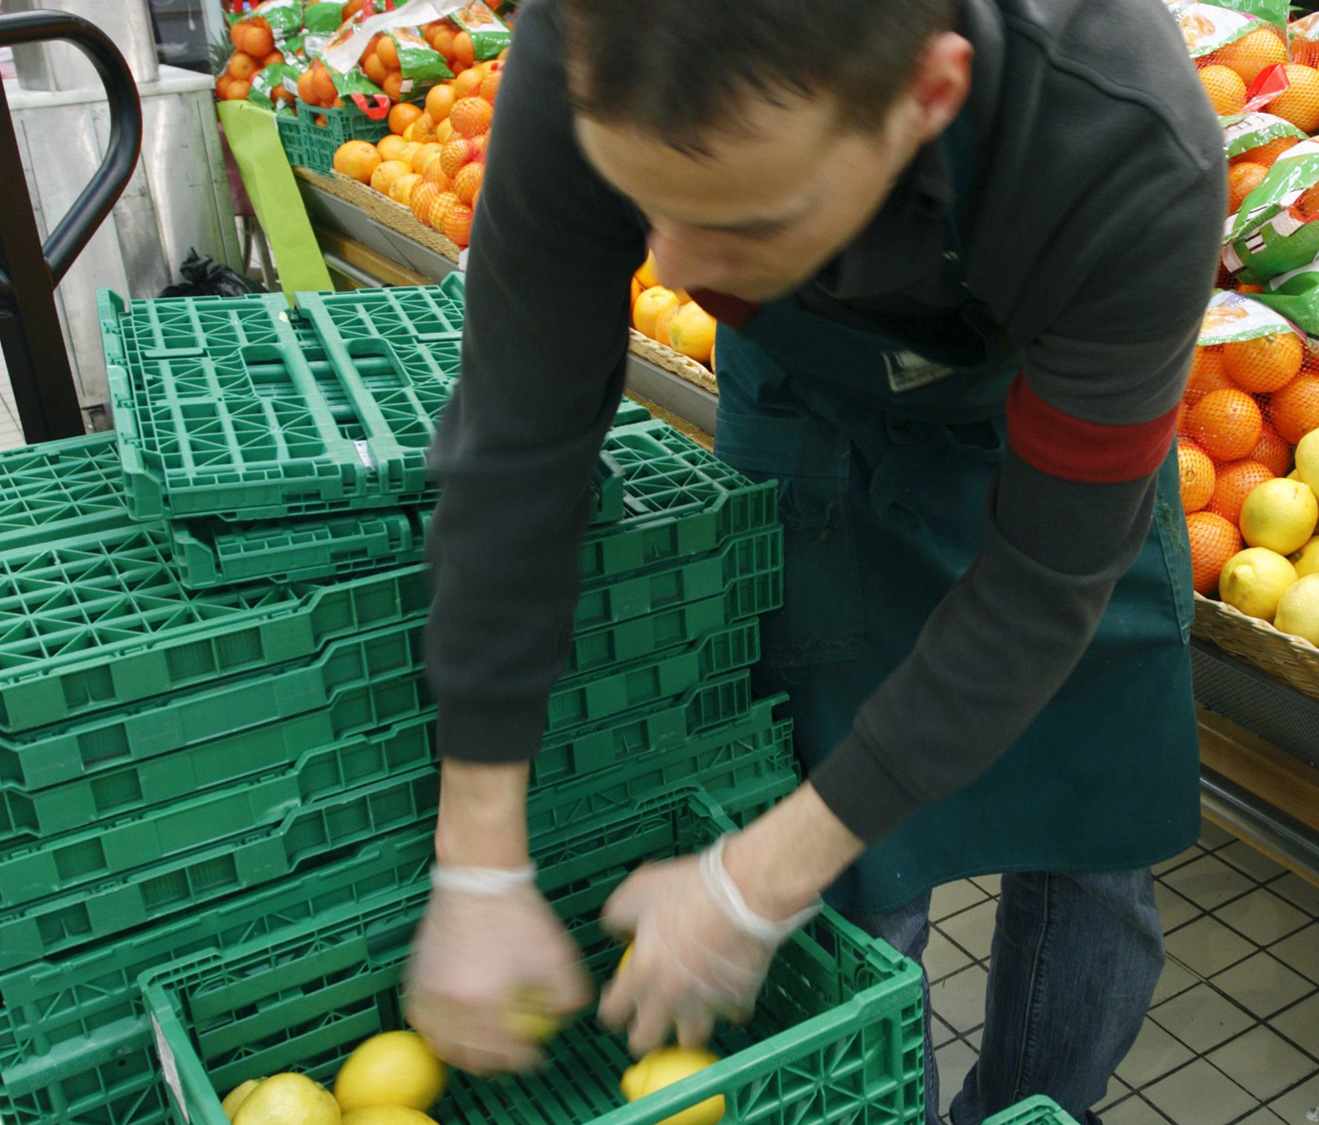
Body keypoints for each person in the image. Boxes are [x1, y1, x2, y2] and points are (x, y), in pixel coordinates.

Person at [404, 0, 1226, 1121]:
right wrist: (479, 857)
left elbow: (1042, 585)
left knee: (1091, 833)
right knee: (841, 863)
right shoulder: (597, 43)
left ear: (925, 97)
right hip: (809, 405)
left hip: (1042, 419)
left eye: (743, 222)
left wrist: (745, 889)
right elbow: (518, 443)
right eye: (645, 206)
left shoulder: (1121, 146)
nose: (674, 263)